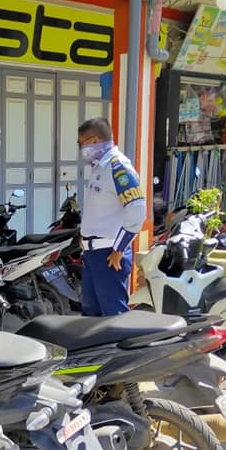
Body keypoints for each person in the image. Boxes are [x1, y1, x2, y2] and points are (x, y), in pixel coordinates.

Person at [76, 117, 145, 316]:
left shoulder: (118, 168)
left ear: (95, 140)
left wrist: (119, 249)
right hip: (93, 254)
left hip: (109, 255)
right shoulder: (100, 167)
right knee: (91, 314)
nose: (81, 148)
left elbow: (136, 209)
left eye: (81, 143)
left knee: (113, 315)